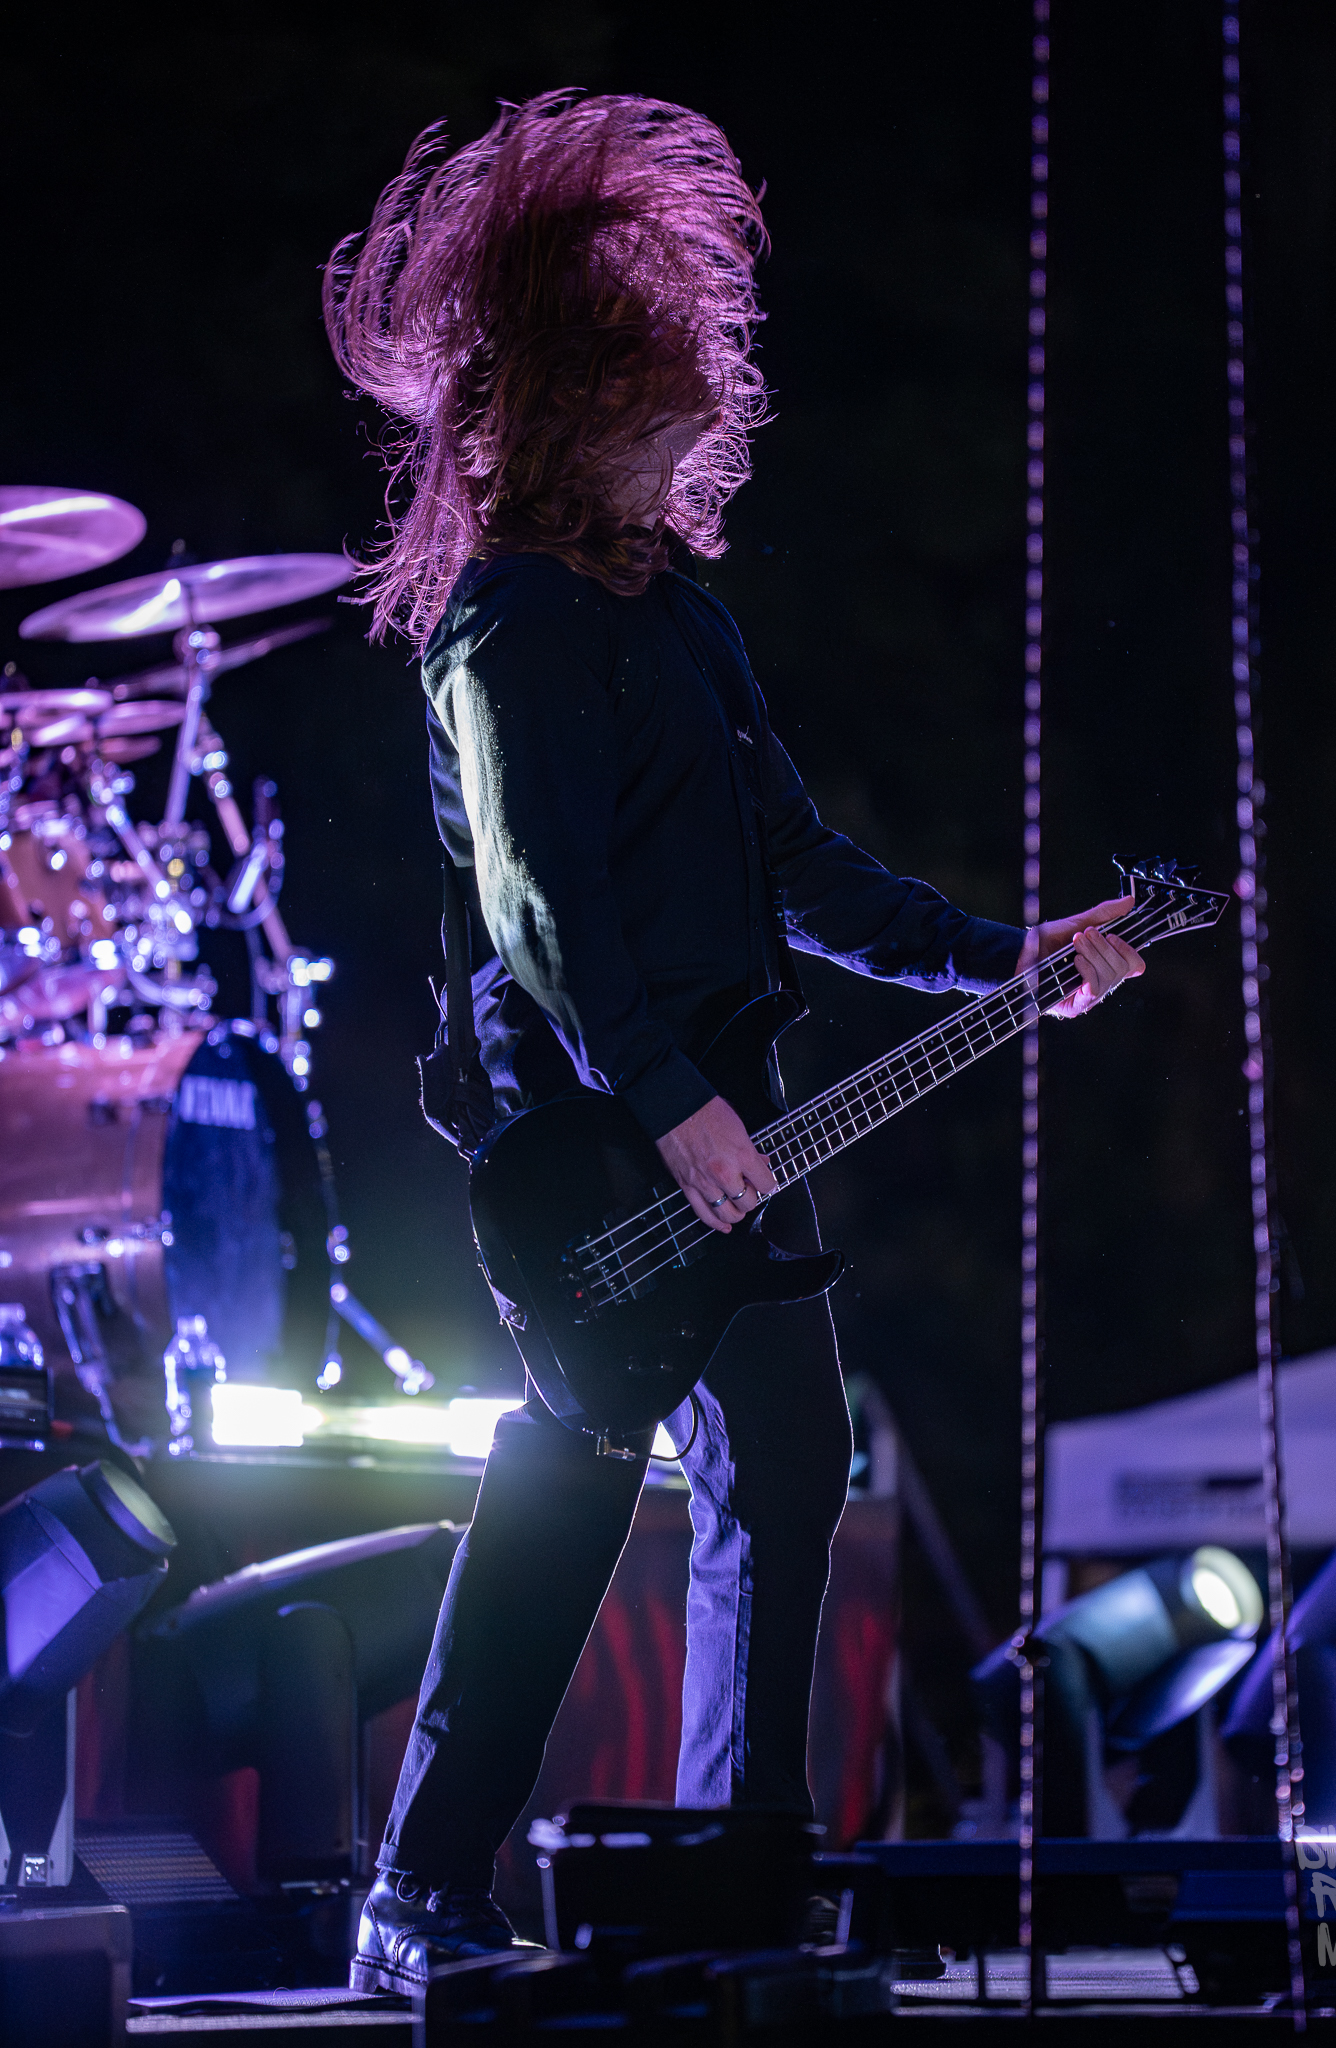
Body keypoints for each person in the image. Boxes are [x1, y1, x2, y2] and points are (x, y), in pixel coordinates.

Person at [325, 91, 1143, 1997]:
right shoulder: (503, 621)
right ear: (569, 407)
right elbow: (539, 904)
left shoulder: (679, 619)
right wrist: (669, 1099)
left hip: (724, 1116)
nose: (704, 419)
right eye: (660, 393)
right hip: (594, 1134)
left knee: (783, 1471)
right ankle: (414, 1896)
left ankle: (732, 1881)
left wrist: (999, 959)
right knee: (578, 1464)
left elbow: (797, 862)